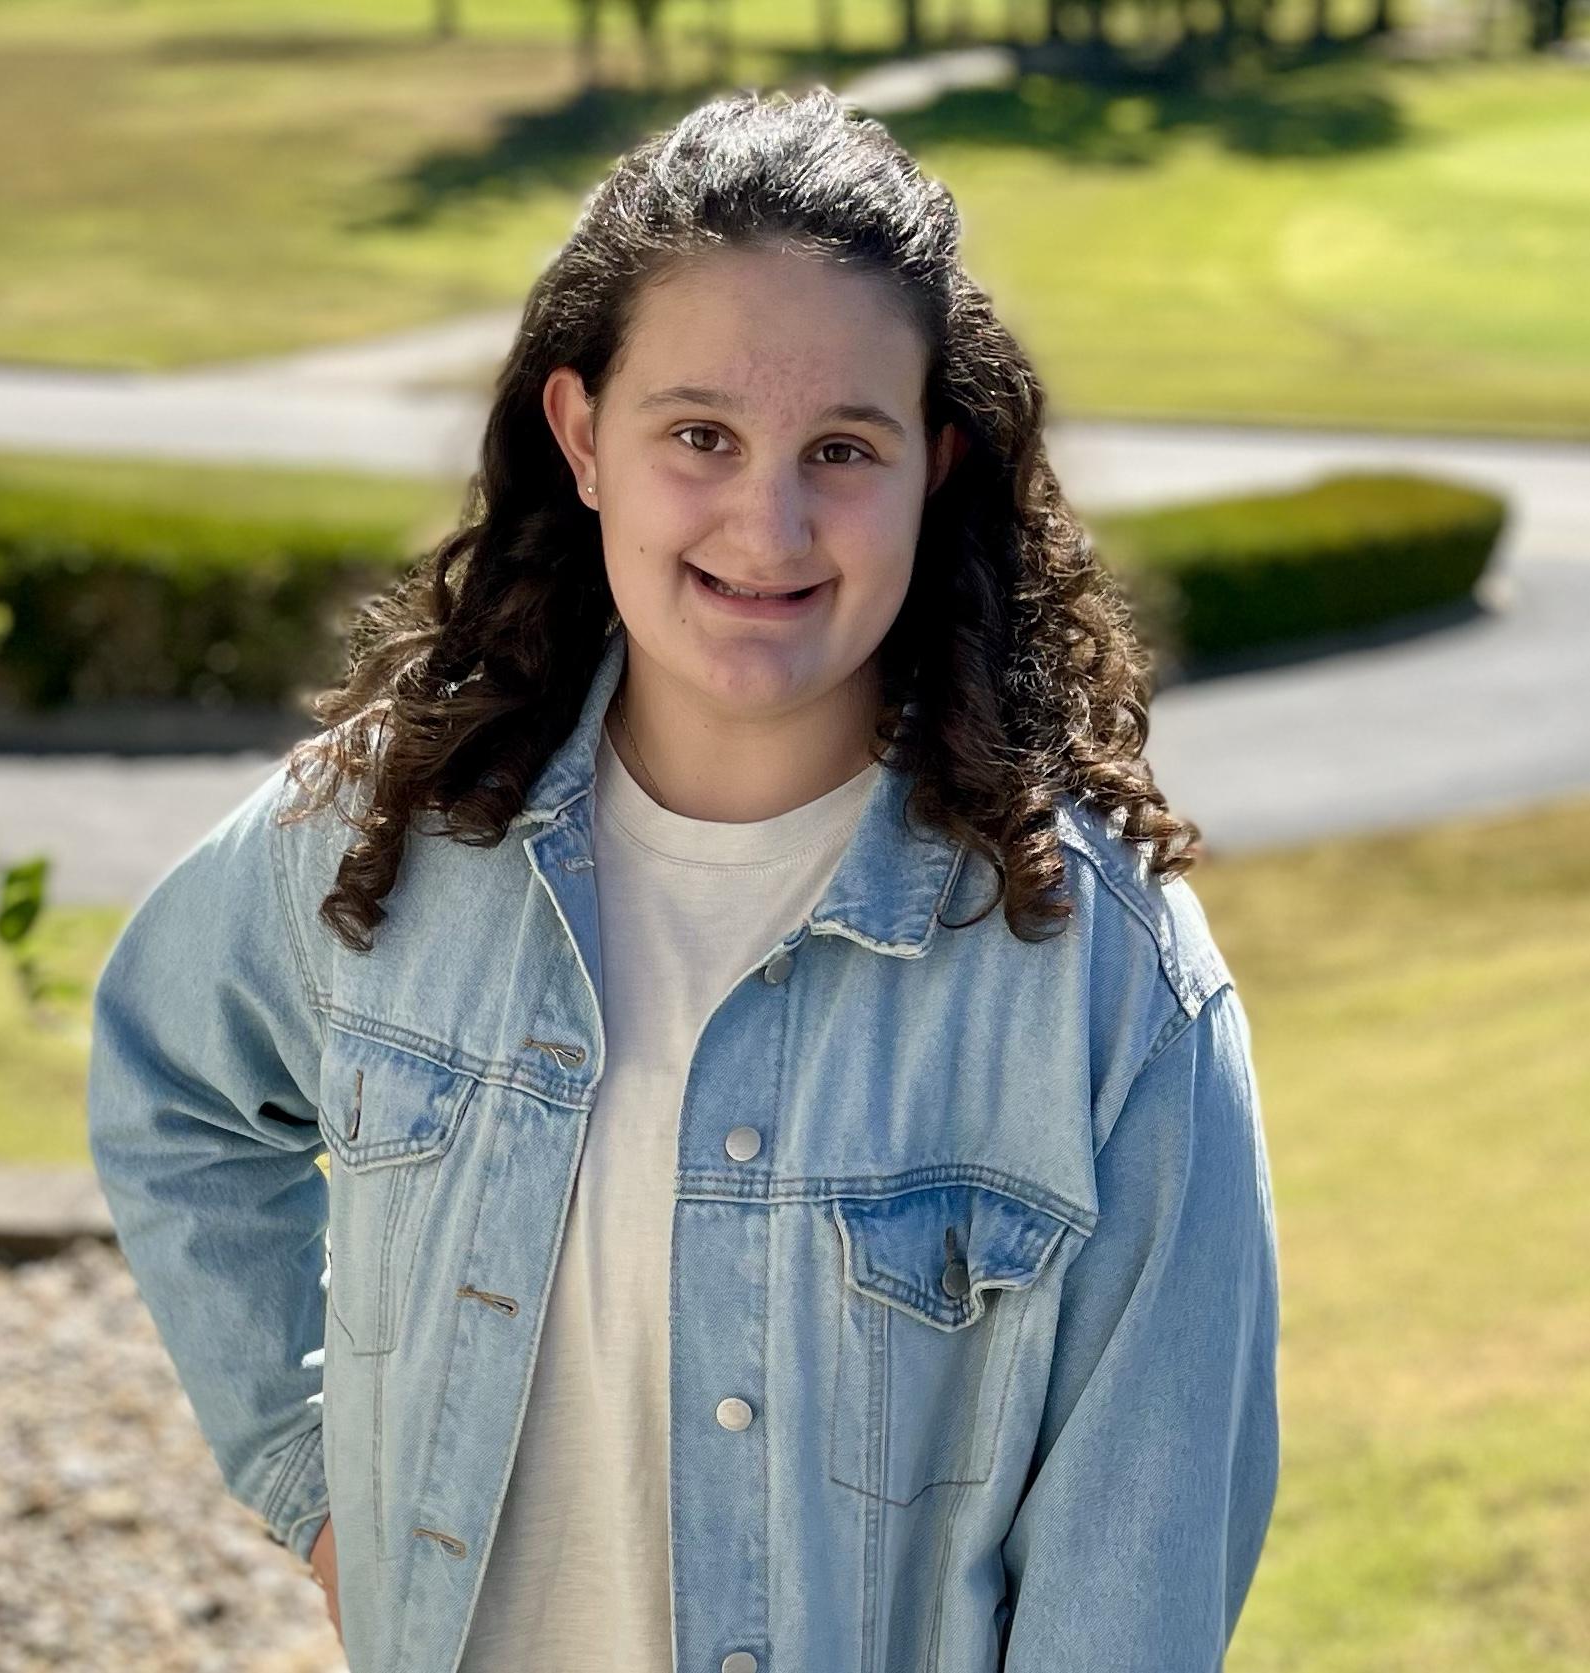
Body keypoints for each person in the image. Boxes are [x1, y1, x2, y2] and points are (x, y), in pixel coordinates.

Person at [87, 85, 1280, 1673]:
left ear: (932, 468)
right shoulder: (386, 823)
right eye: (698, 434)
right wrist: (318, 1488)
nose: (765, 524)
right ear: (583, 437)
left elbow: (1132, 1596)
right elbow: (168, 1081)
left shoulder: (1106, 979)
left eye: (840, 448)